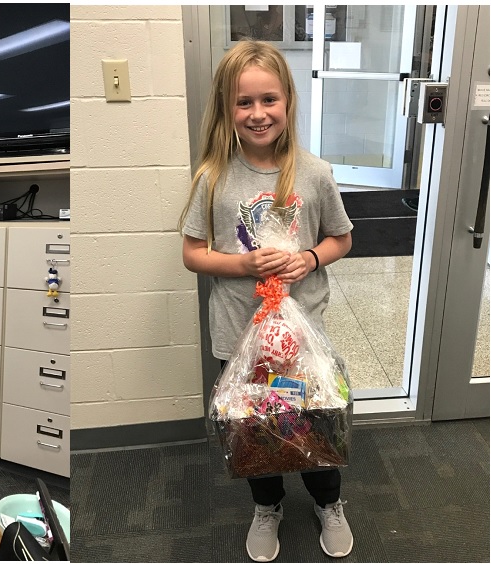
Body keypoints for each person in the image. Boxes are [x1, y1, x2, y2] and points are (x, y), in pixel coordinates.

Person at [178, 40, 354, 562]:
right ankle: (268, 504)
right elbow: (191, 253)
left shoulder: (315, 173)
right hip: (241, 333)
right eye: (244, 102)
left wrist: (311, 259)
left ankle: (329, 502)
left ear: (288, 102)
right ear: (226, 108)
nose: (258, 114)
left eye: (269, 100)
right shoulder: (213, 176)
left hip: (302, 336)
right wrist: (243, 265)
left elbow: (342, 238)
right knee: (255, 425)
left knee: (314, 417)